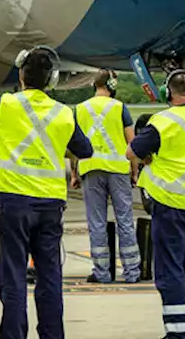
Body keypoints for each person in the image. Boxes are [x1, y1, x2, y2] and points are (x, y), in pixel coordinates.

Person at [0, 46, 94, 339]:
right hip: (49, 204)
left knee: (13, 275)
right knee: (50, 277)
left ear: (21, 75)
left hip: (15, 201)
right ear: (52, 80)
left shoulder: (5, 105)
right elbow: (85, 149)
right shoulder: (64, 114)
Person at [127, 70, 185, 339]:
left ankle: (179, 332)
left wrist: (147, 161)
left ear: (169, 94)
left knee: (170, 270)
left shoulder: (162, 121)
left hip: (169, 205)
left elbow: (131, 151)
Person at [70, 70, 141, 284]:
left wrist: (74, 173)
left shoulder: (80, 109)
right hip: (118, 169)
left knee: (97, 222)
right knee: (125, 221)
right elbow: (132, 143)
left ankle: (102, 272)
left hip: (90, 168)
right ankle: (132, 272)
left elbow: (74, 145)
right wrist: (135, 171)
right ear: (111, 84)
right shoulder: (120, 108)